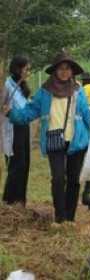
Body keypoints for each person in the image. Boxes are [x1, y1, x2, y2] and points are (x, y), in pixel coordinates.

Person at [3, 51, 90, 227]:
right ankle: (59, 218)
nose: (64, 72)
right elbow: (30, 111)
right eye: (61, 68)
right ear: (55, 71)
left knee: (74, 180)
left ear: (72, 71)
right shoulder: (45, 91)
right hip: (53, 139)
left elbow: (87, 114)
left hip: (76, 140)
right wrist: (11, 113)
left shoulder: (79, 90)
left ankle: (70, 218)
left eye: (68, 68)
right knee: (58, 179)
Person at [1, 56, 31, 205]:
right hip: (13, 128)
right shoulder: (6, 85)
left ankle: (20, 201)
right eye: (26, 69)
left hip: (24, 126)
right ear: (17, 69)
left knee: (25, 164)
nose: (28, 72)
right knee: (17, 165)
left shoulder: (21, 85)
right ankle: (9, 200)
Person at [79, 71, 90, 211]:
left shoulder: (85, 89)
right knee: (89, 160)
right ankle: (87, 192)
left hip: (85, 121)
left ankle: (87, 193)